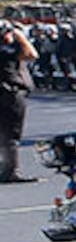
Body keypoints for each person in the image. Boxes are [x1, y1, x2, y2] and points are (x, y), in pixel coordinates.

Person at [0, 20, 36, 182]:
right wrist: (21, 37)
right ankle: (11, 170)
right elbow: (32, 55)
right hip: (10, 94)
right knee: (12, 134)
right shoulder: (7, 49)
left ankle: (6, 167)